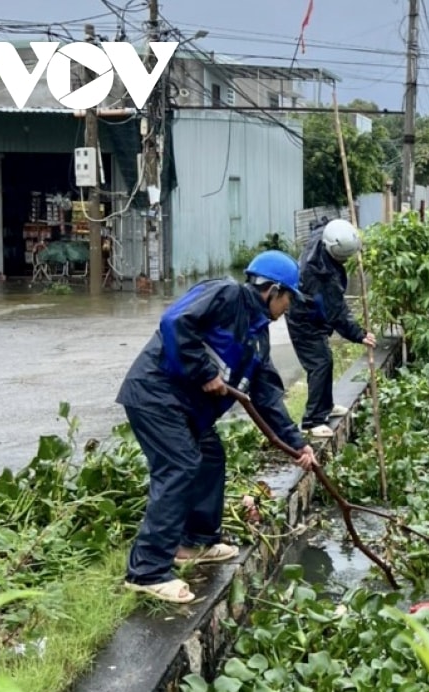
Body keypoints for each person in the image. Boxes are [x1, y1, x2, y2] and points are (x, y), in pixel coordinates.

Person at [116, 251, 317, 603]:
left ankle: (194, 542)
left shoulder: (259, 336)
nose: (288, 308)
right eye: (288, 298)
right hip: (155, 394)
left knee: (210, 457)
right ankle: (146, 571)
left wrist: (298, 444)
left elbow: (266, 395)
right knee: (179, 465)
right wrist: (205, 372)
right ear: (271, 290)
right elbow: (175, 322)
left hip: (187, 409)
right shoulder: (224, 295)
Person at [286, 217, 376, 440]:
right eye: (343, 257)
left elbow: (322, 226)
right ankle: (312, 421)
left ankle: (325, 406)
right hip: (303, 319)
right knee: (320, 363)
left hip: (315, 315)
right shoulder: (319, 274)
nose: (345, 261)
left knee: (326, 359)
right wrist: (360, 335)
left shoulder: (324, 235)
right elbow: (337, 313)